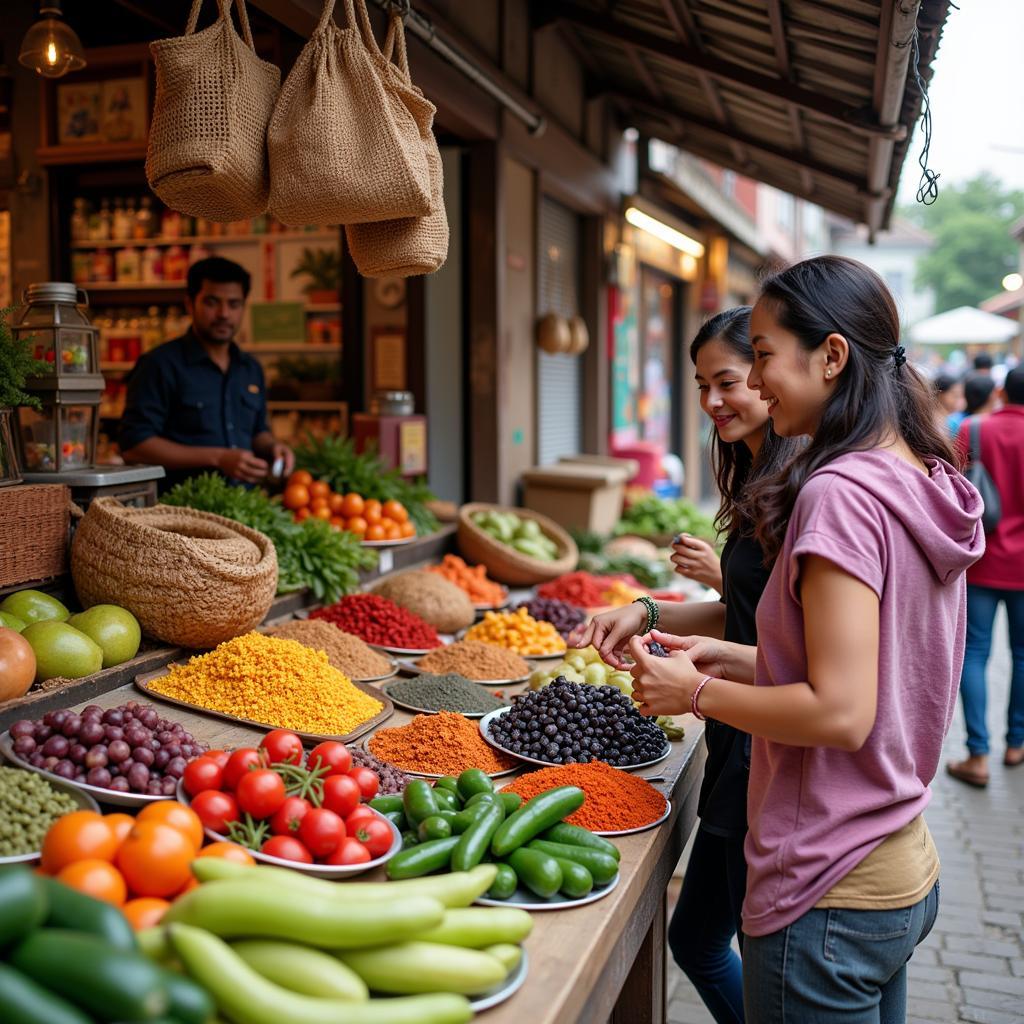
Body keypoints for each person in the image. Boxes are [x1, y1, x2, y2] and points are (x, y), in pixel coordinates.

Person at [628, 256, 983, 1024]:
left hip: (827, 887)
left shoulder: (838, 494)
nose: (752, 384)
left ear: (831, 356)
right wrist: (734, 657)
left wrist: (692, 690)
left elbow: (840, 711)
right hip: (897, 861)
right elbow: (871, 680)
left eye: (760, 356)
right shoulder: (922, 477)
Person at [575, 307, 799, 1024]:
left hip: (764, 747)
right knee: (709, 939)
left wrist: (697, 690)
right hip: (745, 738)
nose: (712, 402)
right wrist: (650, 612)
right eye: (702, 385)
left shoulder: (805, 488)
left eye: (728, 379)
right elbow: (750, 615)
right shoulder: (763, 471)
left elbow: (813, 669)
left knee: (703, 942)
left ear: (770, 372)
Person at [119, 257, 294, 492]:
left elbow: (257, 431)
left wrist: (273, 446)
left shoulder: (250, 368)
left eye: (234, 304)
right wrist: (219, 458)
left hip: (245, 507)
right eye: (212, 302)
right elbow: (135, 447)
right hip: (179, 512)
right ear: (190, 304)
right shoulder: (159, 364)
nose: (224, 314)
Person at [946, 366, 1024, 786]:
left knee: (973, 653)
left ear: (1000, 391)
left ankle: (977, 755)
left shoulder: (973, 430)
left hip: (981, 562)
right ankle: (1017, 743)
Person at [932, 372, 966, 437]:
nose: (959, 400)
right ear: (940, 394)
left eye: (960, 395)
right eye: (955, 395)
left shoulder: (955, 417)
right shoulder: (934, 420)